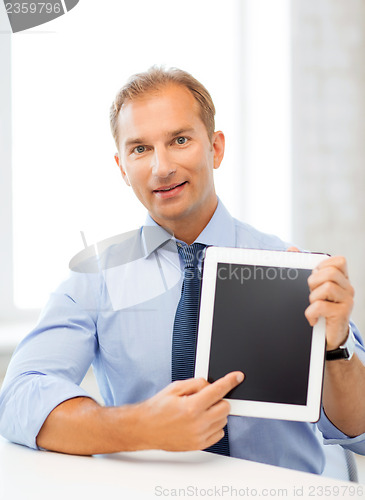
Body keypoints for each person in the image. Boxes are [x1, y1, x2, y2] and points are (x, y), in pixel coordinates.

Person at [1, 67, 365, 477]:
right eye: (140, 149)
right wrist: (144, 426)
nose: (161, 167)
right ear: (122, 167)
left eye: (179, 140)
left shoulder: (292, 268)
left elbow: (360, 430)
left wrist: (336, 349)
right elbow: (19, 399)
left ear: (215, 148)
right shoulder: (95, 279)